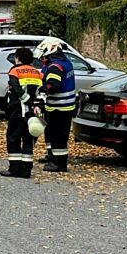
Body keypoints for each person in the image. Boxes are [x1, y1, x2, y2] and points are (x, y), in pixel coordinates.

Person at [36, 39, 77, 172]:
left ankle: (59, 164)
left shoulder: (55, 66)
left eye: (44, 55)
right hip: (66, 106)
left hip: (58, 106)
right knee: (58, 134)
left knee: (58, 135)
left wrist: (42, 89)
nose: (42, 58)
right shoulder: (66, 62)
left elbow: (52, 86)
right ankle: (55, 158)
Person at [1, 47, 42, 178]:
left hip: (17, 111)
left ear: (17, 58)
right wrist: (35, 105)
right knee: (28, 140)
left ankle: (14, 169)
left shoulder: (15, 71)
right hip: (32, 114)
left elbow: (17, 90)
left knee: (13, 139)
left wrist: (27, 100)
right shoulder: (37, 72)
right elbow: (41, 92)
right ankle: (26, 171)